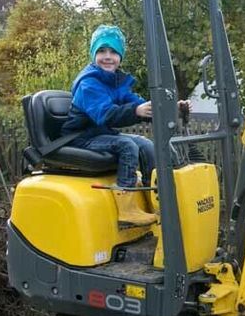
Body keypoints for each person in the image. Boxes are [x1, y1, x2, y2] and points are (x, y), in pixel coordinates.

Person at [61, 24, 187, 226]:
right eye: (101, 51)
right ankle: (127, 210)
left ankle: (154, 200)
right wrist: (135, 112)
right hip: (81, 138)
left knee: (144, 144)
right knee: (127, 145)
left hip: (100, 134)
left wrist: (171, 108)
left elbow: (139, 104)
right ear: (93, 54)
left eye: (113, 51)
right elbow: (106, 115)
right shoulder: (89, 84)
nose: (108, 56)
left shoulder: (115, 82)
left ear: (120, 57)